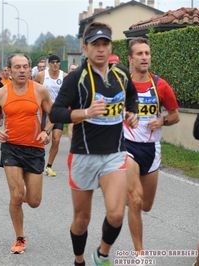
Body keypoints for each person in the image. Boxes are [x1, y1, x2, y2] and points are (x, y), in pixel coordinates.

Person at [49, 22, 139, 266]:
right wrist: (85, 113)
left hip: (114, 153)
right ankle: (79, 260)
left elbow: (131, 97)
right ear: (85, 48)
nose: (101, 50)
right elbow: (55, 114)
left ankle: (103, 254)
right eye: (95, 45)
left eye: (105, 44)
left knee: (117, 213)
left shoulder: (120, 74)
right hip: (84, 155)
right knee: (81, 219)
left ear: (110, 47)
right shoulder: (76, 79)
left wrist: (132, 113)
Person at [0, 53, 53, 254]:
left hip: (35, 149)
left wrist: (46, 131)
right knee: (16, 197)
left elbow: (54, 113)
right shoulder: (1, 94)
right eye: (17, 67)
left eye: (25, 67)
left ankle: (25, 191)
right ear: (10, 70)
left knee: (34, 202)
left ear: (29, 69)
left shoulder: (40, 91)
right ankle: (20, 237)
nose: (22, 70)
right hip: (11, 148)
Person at [125, 37, 180, 257]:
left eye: (147, 53)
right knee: (136, 202)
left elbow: (175, 116)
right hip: (127, 146)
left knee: (146, 205)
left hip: (151, 149)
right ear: (131, 59)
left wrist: (162, 121)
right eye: (139, 54)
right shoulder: (122, 84)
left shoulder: (160, 85)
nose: (144, 57)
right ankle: (140, 254)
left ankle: (125, 196)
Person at [34, 54, 67, 177]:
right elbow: (33, 88)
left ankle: (49, 166)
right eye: (52, 62)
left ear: (59, 64)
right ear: (49, 63)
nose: (55, 64)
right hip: (44, 111)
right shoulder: (42, 75)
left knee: (56, 139)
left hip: (58, 111)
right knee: (42, 139)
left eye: (57, 62)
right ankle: (38, 162)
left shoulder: (64, 76)